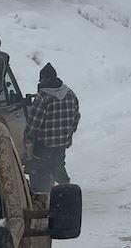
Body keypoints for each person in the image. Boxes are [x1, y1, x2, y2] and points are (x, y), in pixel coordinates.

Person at [25, 63, 81, 192]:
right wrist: (68, 134)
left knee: (39, 168)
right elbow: (76, 117)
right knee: (58, 165)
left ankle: (42, 194)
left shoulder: (44, 97)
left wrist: (28, 141)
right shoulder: (70, 93)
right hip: (62, 141)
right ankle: (66, 190)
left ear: (43, 79)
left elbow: (34, 123)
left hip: (44, 143)